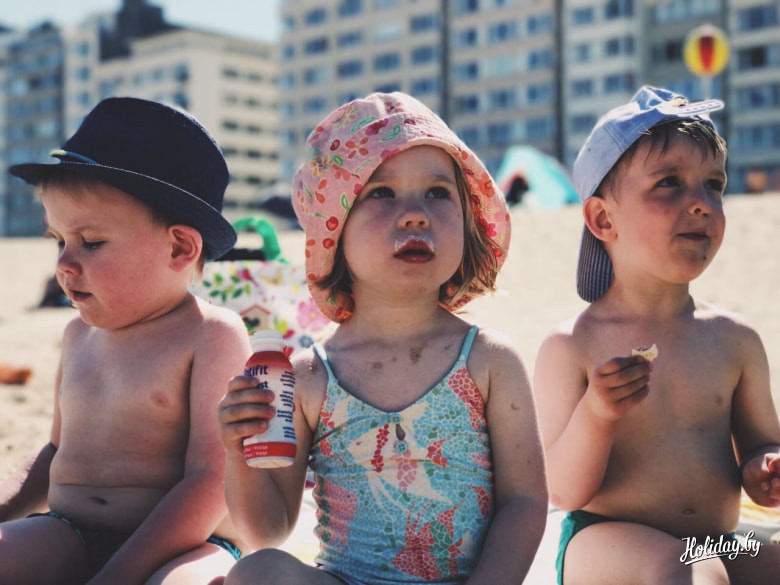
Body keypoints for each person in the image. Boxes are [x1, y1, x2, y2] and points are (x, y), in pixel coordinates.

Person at [218, 92, 548, 585]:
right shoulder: (309, 376)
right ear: (334, 232)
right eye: (381, 193)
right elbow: (268, 529)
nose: (415, 214)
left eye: (437, 193)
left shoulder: (488, 360)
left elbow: (524, 502)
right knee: (257, 571)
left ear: (467, 223)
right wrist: (239, 453)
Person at [533, 86, 780, 585]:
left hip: (711, 540)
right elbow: (560, 491)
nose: (701, 203)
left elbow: (761, 445)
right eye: (669, 183)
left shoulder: (735, 341)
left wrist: (764, 469)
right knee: (687, 567)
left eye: (714, 184)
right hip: (603, 540)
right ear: (603, 218)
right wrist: (597, 413)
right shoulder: (572, 346)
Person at [0, 97, 252, 584]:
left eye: (91, 242)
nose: (64, 264)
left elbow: (212, 478)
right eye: (58, 240)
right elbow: (55, 451)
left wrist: (117, 576)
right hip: (70, 529)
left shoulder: (211, 335)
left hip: (186, 543)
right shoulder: (78, 334)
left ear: (179, 247)